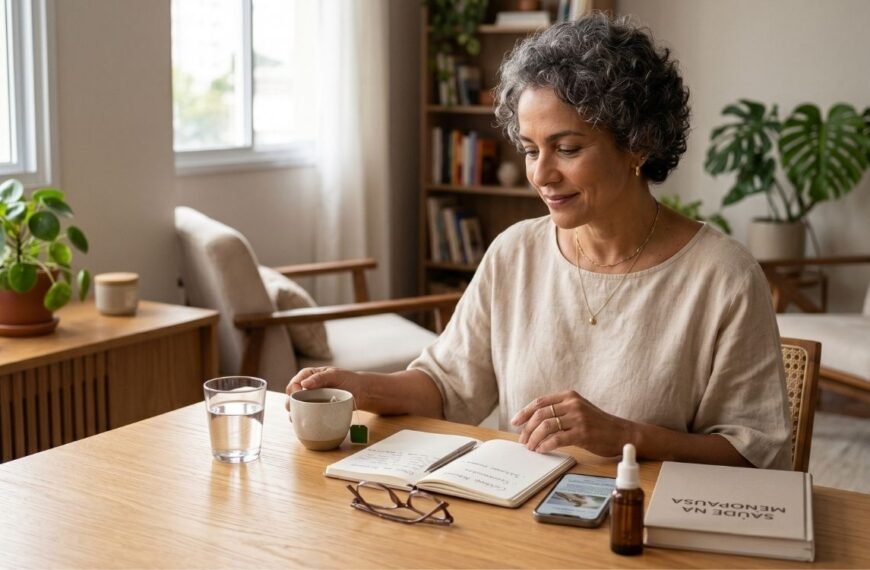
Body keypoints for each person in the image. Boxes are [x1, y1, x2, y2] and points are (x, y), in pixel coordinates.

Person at [288, 13, 791, 469]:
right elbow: (446, 386)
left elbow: (757, 455)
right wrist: (359, 386)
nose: (542, 174)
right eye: (530, 150)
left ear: (638, 143)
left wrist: (625, 435)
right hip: (523, 517)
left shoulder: (723, 275)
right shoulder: (514, 253)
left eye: (567, 148)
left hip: (643, 528)